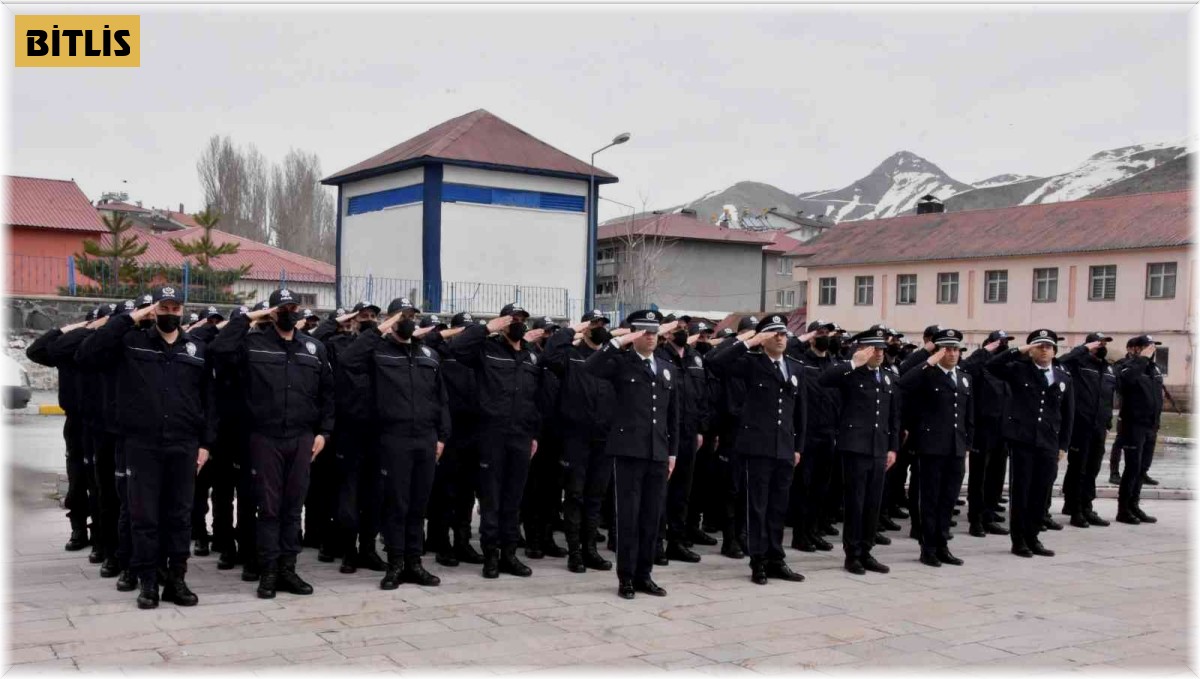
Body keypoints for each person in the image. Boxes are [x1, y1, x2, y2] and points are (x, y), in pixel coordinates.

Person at [75, 286, 216, 609]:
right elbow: (87, 353)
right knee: (144, 516)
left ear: (182, 310)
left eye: (174, 308)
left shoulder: (195, 348)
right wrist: (129, 319)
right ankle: (148, 582)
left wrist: (206, 443)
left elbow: (209, 399)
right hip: (142, 444)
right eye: (162, 308)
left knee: (180, 516)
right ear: (152, 310)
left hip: (184, 444)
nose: (169, 313)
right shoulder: (131, 342)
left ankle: (176, 579)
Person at [210, 288, 334, 598]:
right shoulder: (252, 344)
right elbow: (218, 350)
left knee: (293, 509)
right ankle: (267, 571)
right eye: (283, 308)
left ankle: (287, 569)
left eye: (294, 307)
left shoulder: (314, 347)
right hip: (264, 437)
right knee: (268, 508)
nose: (290, 312)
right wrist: (248, 318)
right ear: (272, 312)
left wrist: (324, 432)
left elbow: (328, 394)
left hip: (303, 437)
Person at [339, 301, 451, 588]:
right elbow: (348, 360)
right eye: (403, 316)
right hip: (392, 438)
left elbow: (440, 399)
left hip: (425, 438)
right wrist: (379, 330)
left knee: (418, 504)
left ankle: (415, 562)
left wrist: (441, 436)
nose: (409, 320)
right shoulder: (377, 351)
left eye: (413, 316)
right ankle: (396, 563)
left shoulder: (428, 354)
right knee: (396, 504)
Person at [705, 314, 806, 584]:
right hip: (757, 447)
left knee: (778, 507)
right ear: (763, 339)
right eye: (774, 334)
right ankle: (758, 561)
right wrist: (748, 341)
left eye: (783, 333)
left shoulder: (794, 367)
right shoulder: (750, 363)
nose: (781, 338)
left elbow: (800, 412)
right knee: (757, 507)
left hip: (784, 447)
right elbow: (714, 361)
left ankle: (776, 558)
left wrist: (798, 446)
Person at [584, 309, 678, 599]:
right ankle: (626, 577)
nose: (650, 336)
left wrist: (672, 452)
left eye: (654, 331)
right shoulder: (621, 363)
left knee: (652, 517)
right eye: (643, 331)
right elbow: (591, 367)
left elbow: (672, 415)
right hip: (628, 451)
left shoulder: (666, 367)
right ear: (634, 333)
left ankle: (644, 575)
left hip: (657, 453)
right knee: (628, 517)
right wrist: (617, 341)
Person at [449, 303, 542, 578]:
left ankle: (509, 554)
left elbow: (536, 399)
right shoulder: (487, 348)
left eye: (522, 319)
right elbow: (457, 349)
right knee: (491, 498)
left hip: (521, 436)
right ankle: (491, 556)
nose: (518, 323)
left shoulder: (531, 356)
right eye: (513, 319)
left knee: (513, 499)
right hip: (491, 435)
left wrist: (534, 433)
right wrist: (486, 327)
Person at [986, 330, 1073, 558]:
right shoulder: (1019, 370)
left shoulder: (1063, 377)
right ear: (1032, 349)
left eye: (1048, 346)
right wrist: (1019, 350)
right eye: (1039, 346)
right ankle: (1019, 541)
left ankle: (1033, 537)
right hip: (1022, 440)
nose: (1044, 350)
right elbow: (992, 365)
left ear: (1054, 351)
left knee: (1041, 492)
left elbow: (1067, 414)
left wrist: (1063, 444)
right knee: (1021, 492)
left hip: (1049, 442)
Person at [819, 327, 899, 575]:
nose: (879, 353)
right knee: (856, 502)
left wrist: (893, 447)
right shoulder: (850, 373)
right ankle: (852, 554)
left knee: (873, 503)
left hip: (878, 448)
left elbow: (893, 416)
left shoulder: (887, 377)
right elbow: (824, 380)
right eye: (874, 348)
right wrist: (853, 363)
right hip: (855, 446)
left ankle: (867, 550)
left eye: (882, 348)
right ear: (862, 349)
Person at [541, 310, 616, 573]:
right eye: (594, 324)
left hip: (604, 438)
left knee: (595, 496)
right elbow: (549, 356)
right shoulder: (570, 355)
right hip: (575, 437)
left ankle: (590, 550)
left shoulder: (612, 357)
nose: (600, 327)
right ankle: (575, 552)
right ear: (585, 327)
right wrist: (572, 330)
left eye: (603, 323)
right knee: (574, 495)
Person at [899, 328, 973, 567]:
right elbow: (903, 382)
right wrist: (929, 360)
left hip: (955, 447)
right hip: (930, 447)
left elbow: (967, 415)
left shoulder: (963, 377)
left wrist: (967, 442)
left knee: (948, 499)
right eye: (947, 349)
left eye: (955, 349)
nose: (952, 354)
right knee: (929, 500)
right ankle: (928, 547)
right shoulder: (926, 374)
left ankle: (942, 545)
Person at [26, 312, 94, 556]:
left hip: (101, 421)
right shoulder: (65, 351)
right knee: (77, 478)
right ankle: (78, 528)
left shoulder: (104, 350)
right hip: (76, 421)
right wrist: (67, 329)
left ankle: (98, 529)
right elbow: (35, 351)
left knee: (100, 481)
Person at [423, 312, 485, 568]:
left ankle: (462, 541)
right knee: (445, 492)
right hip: (450, 432)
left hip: (474, 432)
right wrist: (452, 333)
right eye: (464, 330)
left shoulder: (478, 358)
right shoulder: (441, 352)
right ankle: (441, 543)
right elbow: (429, 337)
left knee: (467, 492)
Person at [654, 315, 710, 565]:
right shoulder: (659, 354)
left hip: (688, 434)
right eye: (677, 327)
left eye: (685, 328)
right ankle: (655, 543)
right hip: (664, 432)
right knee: (659, 492)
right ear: (666, 332)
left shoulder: (695, 357)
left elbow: (703, 396)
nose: (683, 331)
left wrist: (700, 429)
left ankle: (676, 541)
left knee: (682, 492)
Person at [789, 320, 840, 553]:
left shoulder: (833, 362)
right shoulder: (800, 361)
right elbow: (788, 348)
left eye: (827, 333)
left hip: (829, 432)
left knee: (822, 487)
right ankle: (800, 536)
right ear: (810, 336)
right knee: (804, 487)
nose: (825, 337)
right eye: (820, 333)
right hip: (807, 434)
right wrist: (804, 338)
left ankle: (814, 530)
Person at [1058, 332, 1117, 528]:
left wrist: (1108, 424)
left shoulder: (1108, 368)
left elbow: (1108, 399)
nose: (1101, 346)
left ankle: (1087, 506)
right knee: (1078, 470)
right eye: (1097, 343)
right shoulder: (1077, 364)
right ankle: (1076, 510)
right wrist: (1083, 349)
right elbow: (1060, 361)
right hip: (1080, 427)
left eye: (1104, 343)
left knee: (1092, 469)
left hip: (1099, 428)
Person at [961, 331, 1012, 538]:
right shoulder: (978, 367)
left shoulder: (1006, 370)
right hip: (983, 431)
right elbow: (964, 368)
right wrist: (984, 351)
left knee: (996, 477)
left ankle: (989, 515)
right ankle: (976, 521)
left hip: (1003, 430)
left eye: (1005, 343)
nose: (1002, 347)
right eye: (998, 343)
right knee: (979, 478)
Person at [1115, 335, 1165, 525]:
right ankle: (1124, 509)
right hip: (1133, 425)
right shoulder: (1126, 366)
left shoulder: (1154, 369)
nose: (1151, 350)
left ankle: (1134, 505)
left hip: (1151, 426)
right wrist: (1142, 359)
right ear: (1134, 349)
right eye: (1146, 347)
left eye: (1153, 346)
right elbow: (1125, 382)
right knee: (1132, 468)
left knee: (1142, 469)